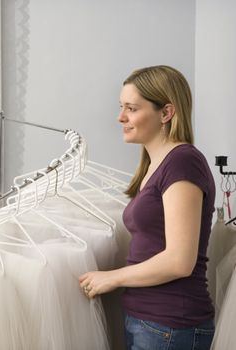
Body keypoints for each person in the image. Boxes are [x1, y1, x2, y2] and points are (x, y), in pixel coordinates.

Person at [79, 65, 216, 350]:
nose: (121, 117)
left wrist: (112, 278)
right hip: (151, 323)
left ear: (166, 113)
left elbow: (180, 260)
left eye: (131, 108)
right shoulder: (155, 165)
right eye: (121, 107)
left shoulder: (183, 163)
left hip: (169, 326)